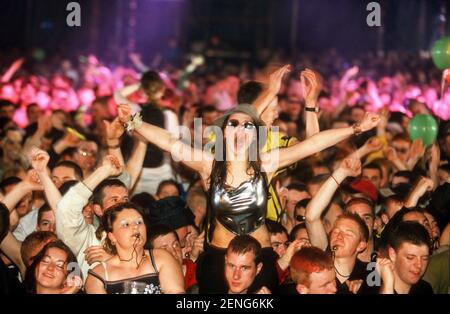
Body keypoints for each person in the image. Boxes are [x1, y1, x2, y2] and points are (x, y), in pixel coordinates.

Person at [117, 69, 380, 293]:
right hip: (219, 262)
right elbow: (169, 141)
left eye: (248, 126)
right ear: (224, 133)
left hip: (260, 261)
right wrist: (132, 121)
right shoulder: (209, 164)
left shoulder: (266, 163)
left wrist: (356, 128)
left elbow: (312, 145)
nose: (241, 130)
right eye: (234, 124)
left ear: (255, 135)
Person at [84, 202, 184, 294]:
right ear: (112, 237)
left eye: (139, 222)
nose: (135, 227)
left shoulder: (162, 258)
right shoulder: (98, 276)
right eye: (126, 224)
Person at [377, 221, 433, 294]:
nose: (419, 265)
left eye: (424, 258)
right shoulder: (372, 286)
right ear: (392, 254)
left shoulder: (425, 288)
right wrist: (388, 284)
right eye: (410, 257)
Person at [147, 224, 198, 292]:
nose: (174, 252)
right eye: (165, 249)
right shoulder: (148, 285)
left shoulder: (198, 275)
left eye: (175, 245)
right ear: (151, 256)